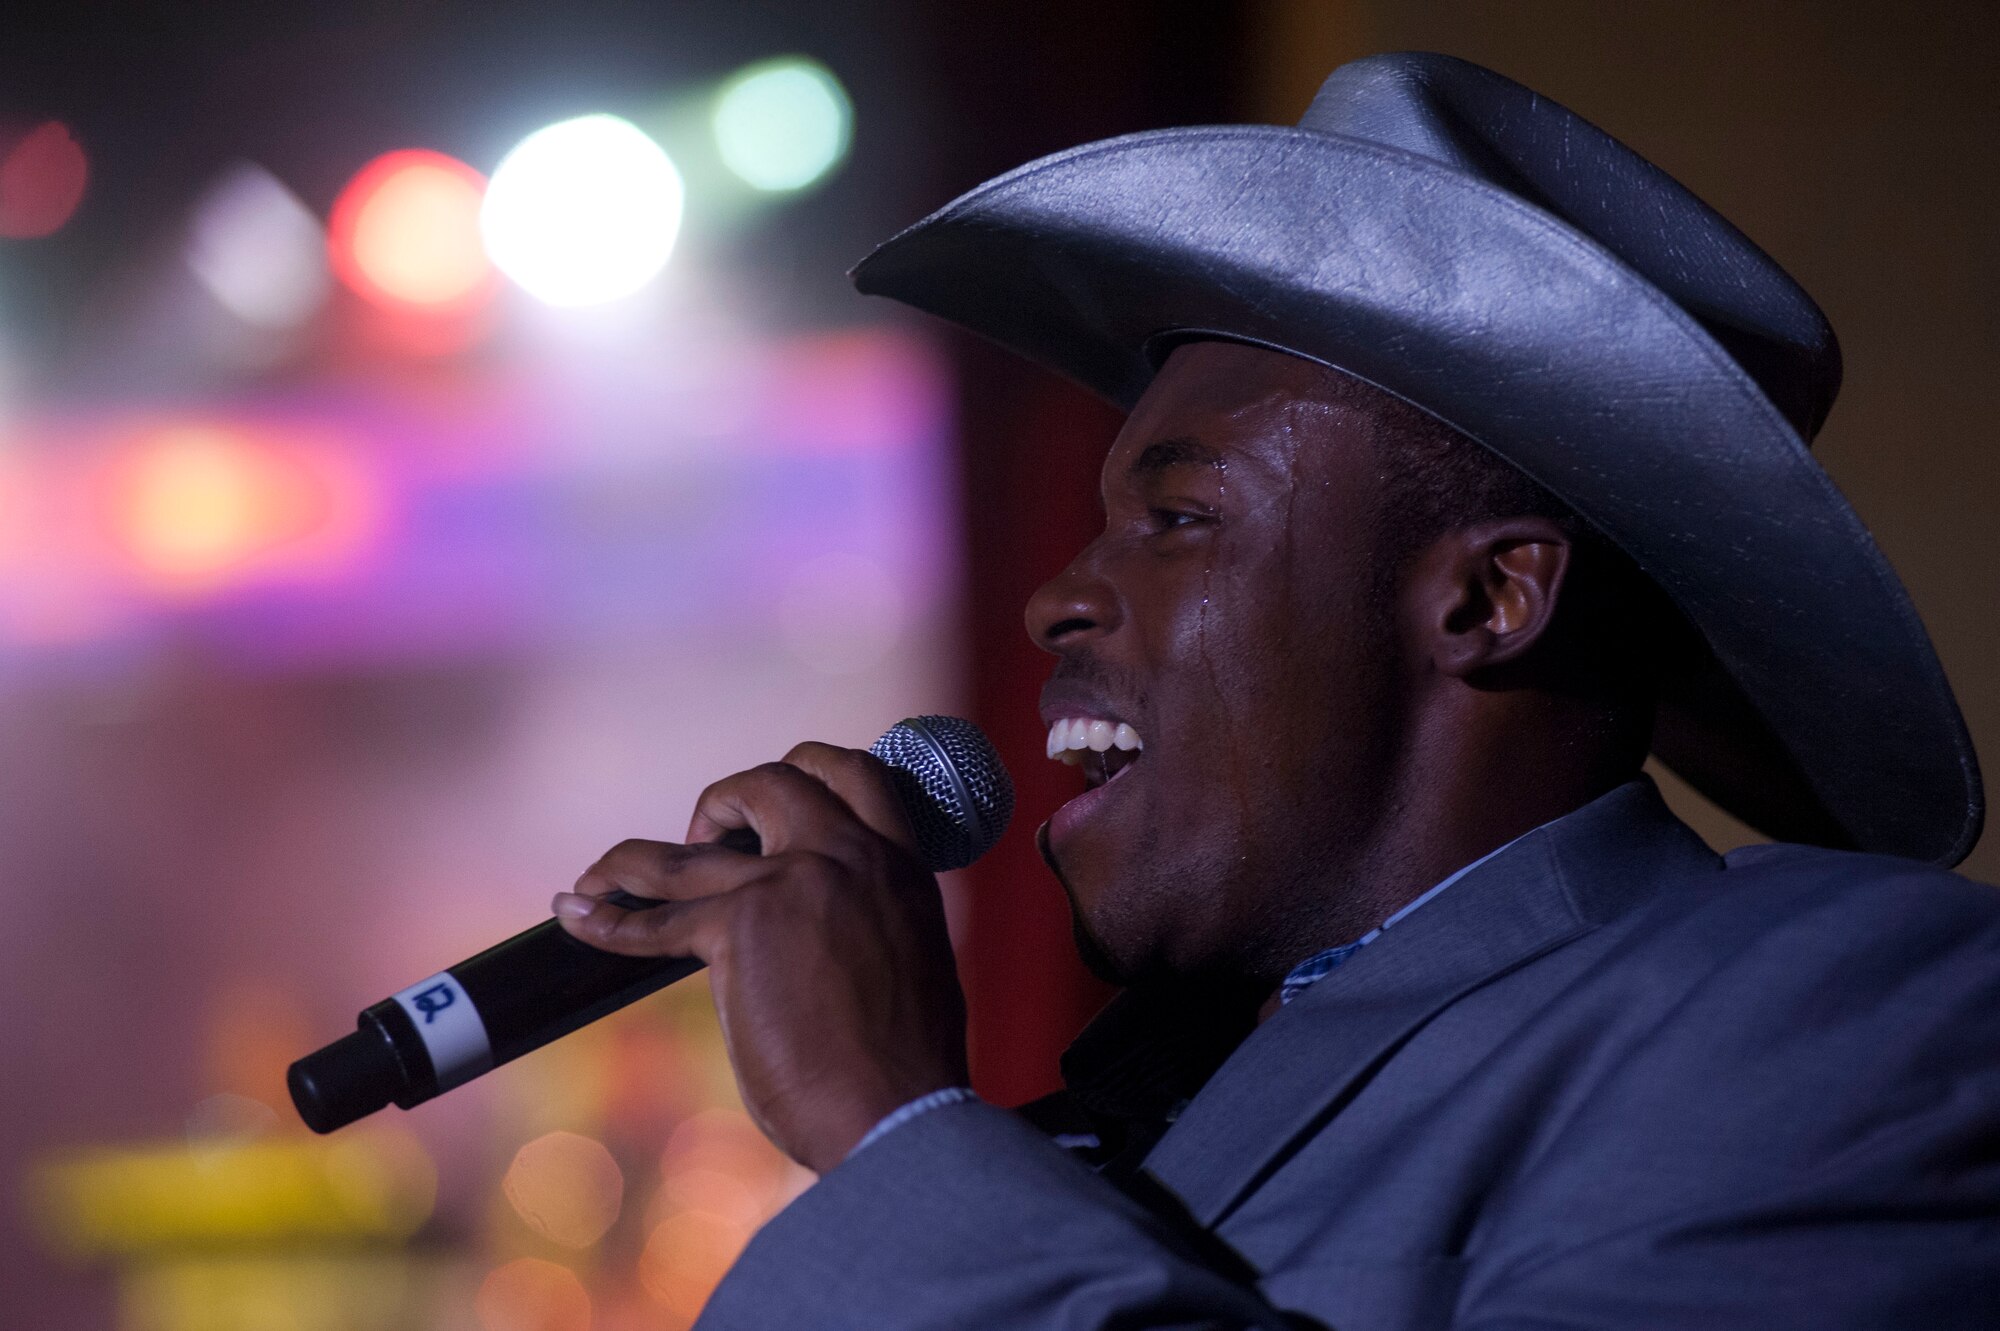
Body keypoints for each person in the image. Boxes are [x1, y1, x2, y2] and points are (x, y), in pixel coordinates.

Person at [549, 52, 2000, 1329]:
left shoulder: (1859, 1011)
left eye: (1179, 518)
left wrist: (894, 1129)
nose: (1058, 595)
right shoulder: (1119, 1110)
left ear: (1490, 597)